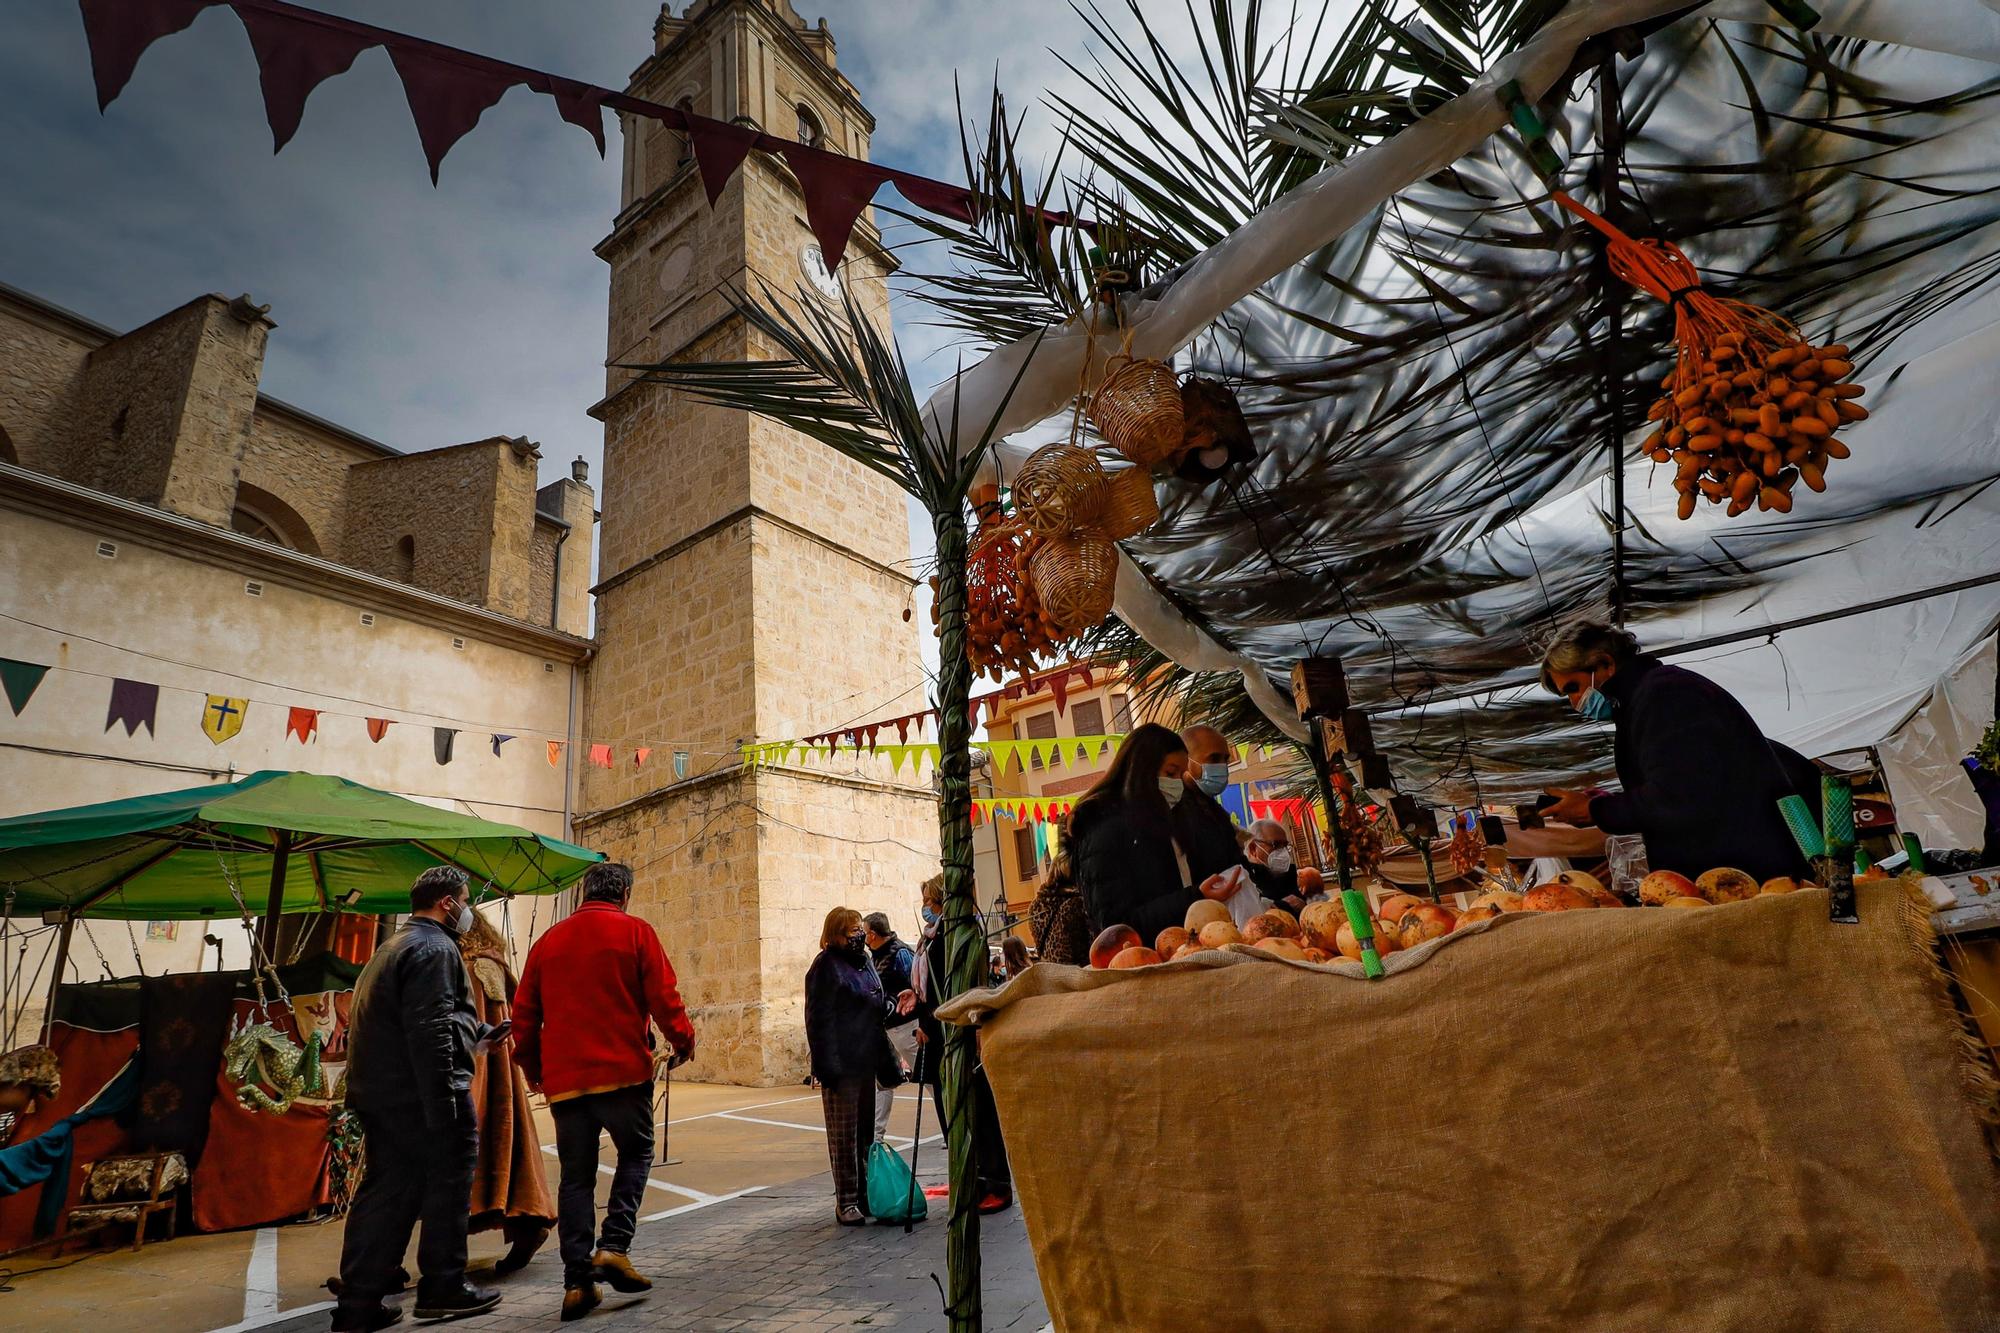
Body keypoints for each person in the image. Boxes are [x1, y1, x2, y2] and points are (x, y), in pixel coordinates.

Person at [512, 862, 695, 1323]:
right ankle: (613, 1246)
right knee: (637, 1153)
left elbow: (524, 1019)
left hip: (566, 1080)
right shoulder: (635, 932)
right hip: (621, 1073)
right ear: (625, 894)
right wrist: (683, 1040)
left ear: (582, 894)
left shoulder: (546, 943)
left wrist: (535, 1070)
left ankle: (576, 1283)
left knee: (576, 1178)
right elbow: (664, 996)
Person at [335, 866, 501, 1332]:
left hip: (382, 1094)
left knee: (387, 1194)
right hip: (422, 1094)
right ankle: (443, 1285)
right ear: (448, 903)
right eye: (466, 900)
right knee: (447, 1189)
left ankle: (358, 1304)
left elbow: (427, 1021)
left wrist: (480, 1034)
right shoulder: (434, 947)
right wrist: (445, 1098)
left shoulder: (393, 946)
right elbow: (429, 1030)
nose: (469, 910)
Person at [1539, 621, 1822, 882]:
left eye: (1574, 688)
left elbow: (1679, 798)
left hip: (1746, 875)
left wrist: (1597, 810)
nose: (1575, 702)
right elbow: (1689, 780)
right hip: (1734, 873)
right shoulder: (1647, 699)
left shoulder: (1664, 695)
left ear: (1604, 664)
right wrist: (1608, 801)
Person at [1068, 722, 1240, 941]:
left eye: (1181, 774)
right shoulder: (1103, 829)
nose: (1178, 783)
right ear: (1142, 769)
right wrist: (1195, 897)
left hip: (1187, 950)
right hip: (1143, 962)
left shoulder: (1176, 819)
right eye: (1171, 772)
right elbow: (1115, 925)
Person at [455, 910, 554, 1276]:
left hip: (480, 1071)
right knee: (505, 1147)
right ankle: (526, 1226)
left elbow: (470, 1024)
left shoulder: (472, 968)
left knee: (477, 1152)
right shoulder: (488, 964)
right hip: (497, 1072)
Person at [805, 907, 914, 1225]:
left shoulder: (865, 961)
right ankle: (847, 1201)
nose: (859, 935)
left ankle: (867, 1196)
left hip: (867, 1060)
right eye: (852, 929)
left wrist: (893, 1004)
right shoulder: (825, 966)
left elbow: (875, 1001)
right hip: (842, 1065)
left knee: (865, 1134)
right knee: (843, 1136)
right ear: (836, 933)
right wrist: (828, 1067)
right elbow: (818, 1021)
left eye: (859, 929)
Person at [862, 911, 918, 1146]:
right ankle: (876, 1135)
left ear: (873, 935)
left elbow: (916, 985)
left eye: (864, 933)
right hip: (886, 1028)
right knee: (883, 1080)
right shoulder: (874, 958)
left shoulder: (901, 953)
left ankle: (952, 1127)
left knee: (929, 1077)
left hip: (906, 1026)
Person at [1027, 851, 1091, 966]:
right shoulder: (1076, 904)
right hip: (1076, 975)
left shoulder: (1035, 907)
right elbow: (1087, 946)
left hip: (1051, 974)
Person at [1244, 818, 1305, 914]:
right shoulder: (1245, 882)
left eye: (1285, 846)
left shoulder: (1290, 875)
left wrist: (1304, 907)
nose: (1282, 851)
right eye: (1275, 845)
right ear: (1253, 849)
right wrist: (1282, 906)